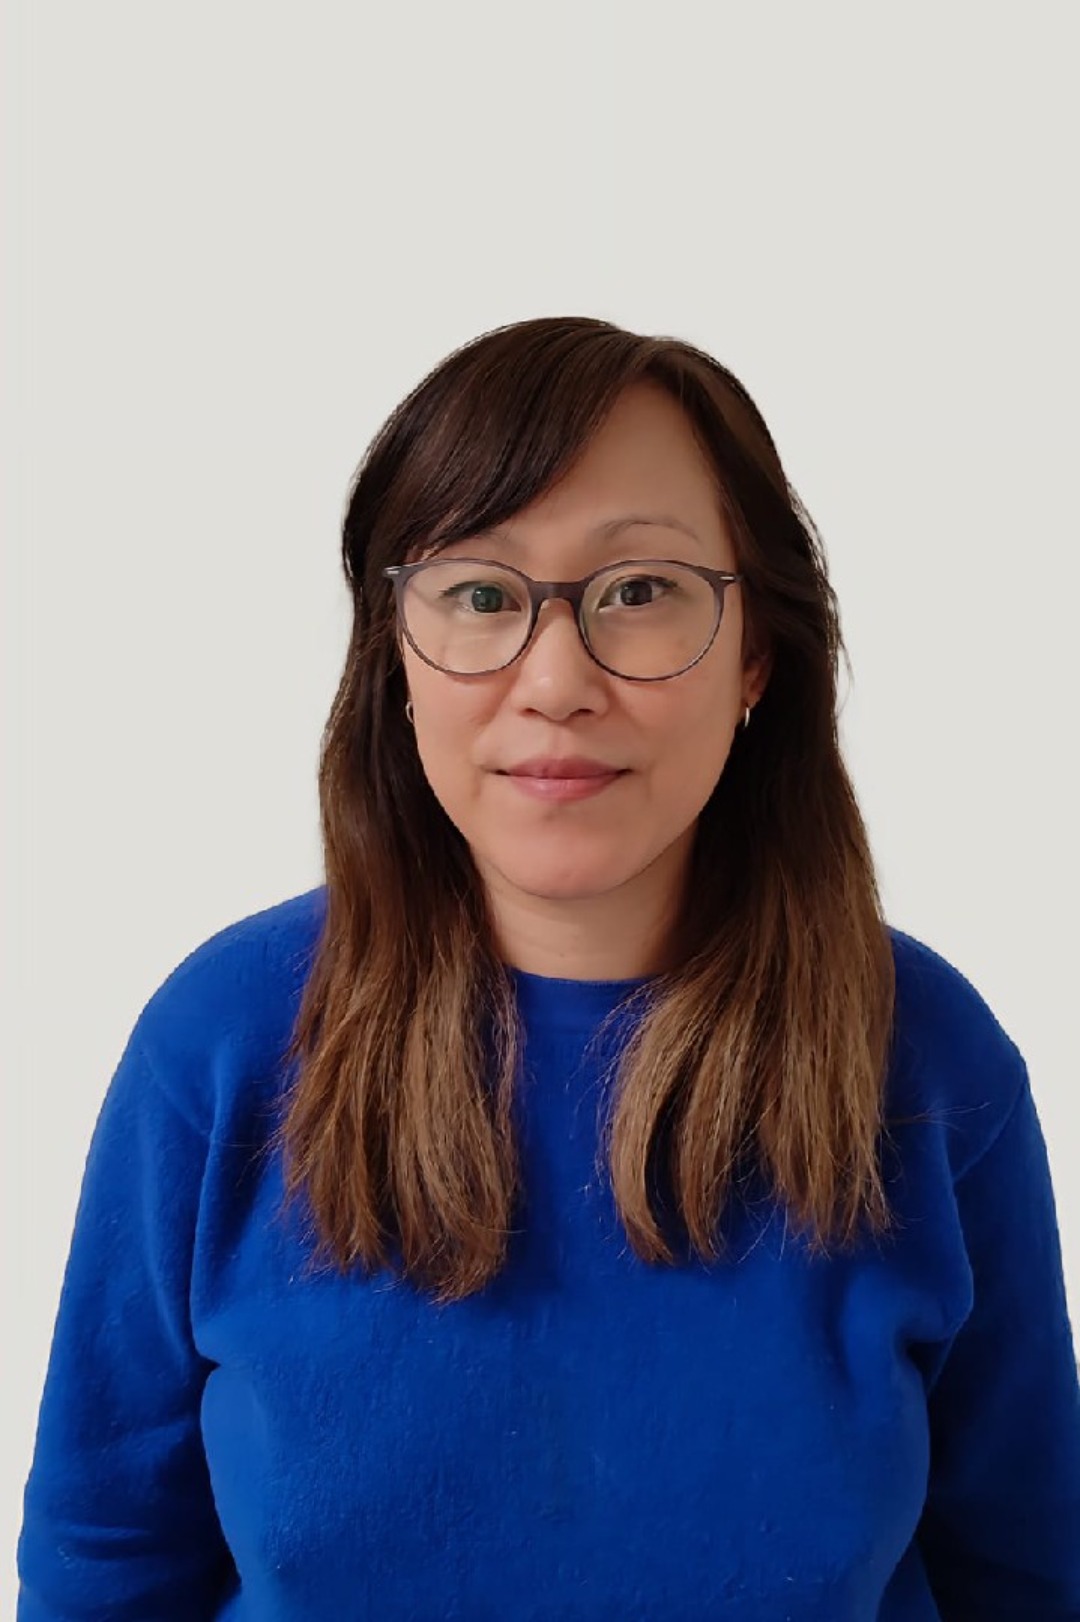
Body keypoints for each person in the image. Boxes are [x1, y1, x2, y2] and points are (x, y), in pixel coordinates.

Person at [16, 315, 1080, 1619]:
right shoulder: (223, 1043)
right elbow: (104, 1564)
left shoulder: (930, 1059)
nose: (557, 680)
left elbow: (1026, 1576)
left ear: (756, 654)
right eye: (481, 595)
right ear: (394, 653)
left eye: (641, 590)